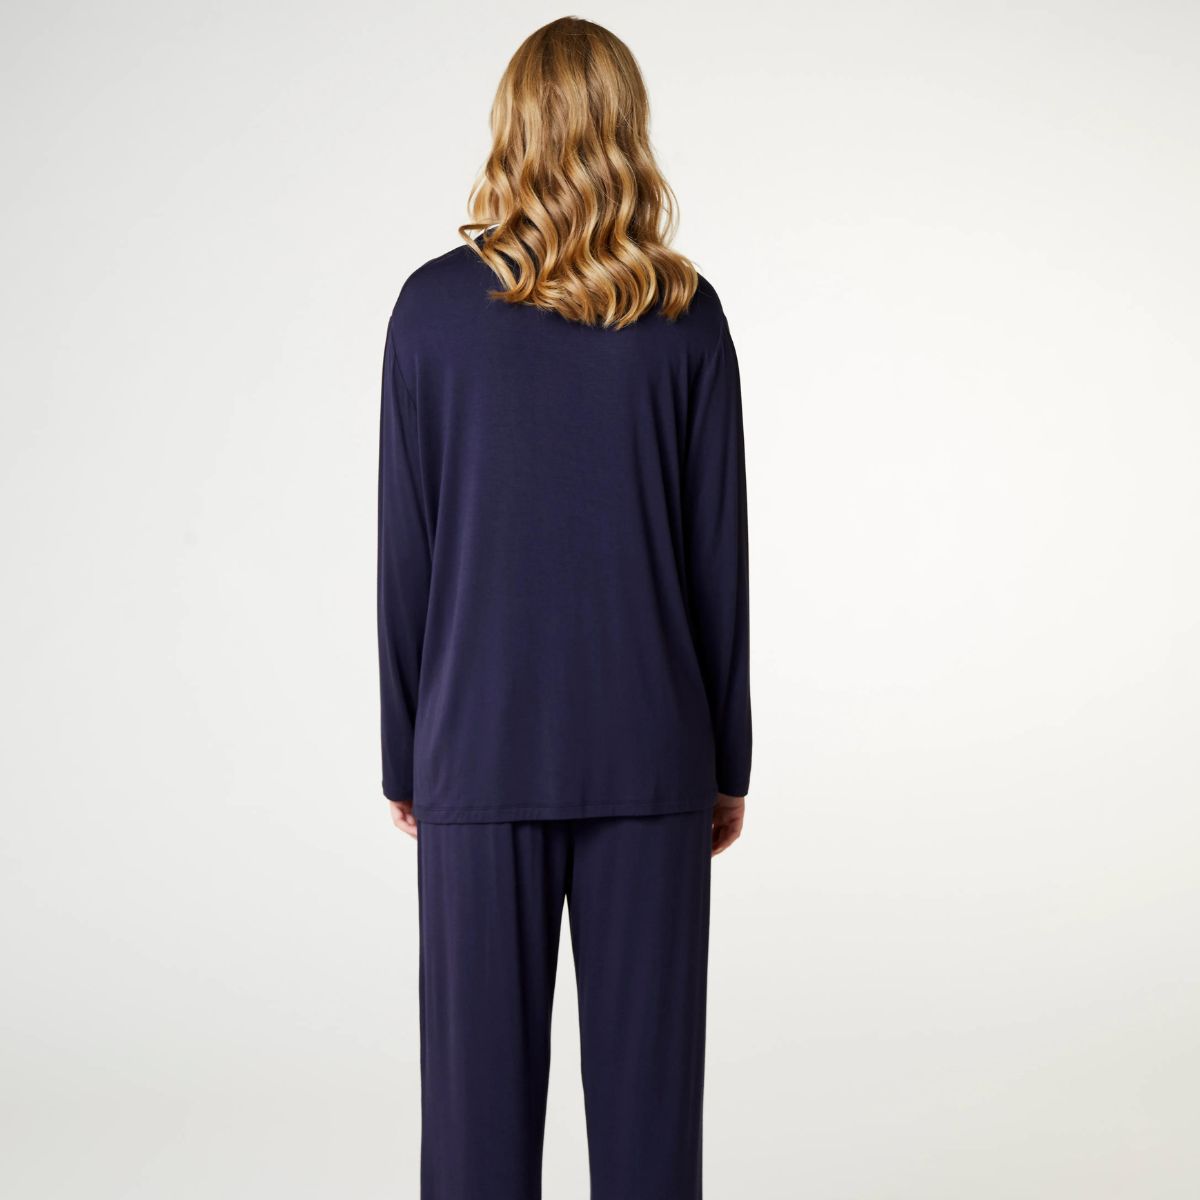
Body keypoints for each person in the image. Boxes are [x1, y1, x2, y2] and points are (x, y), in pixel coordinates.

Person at [377, 17, 751, 1199]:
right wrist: (726, 761)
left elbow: (407, 553)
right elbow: (718, 559)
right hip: (653, 753)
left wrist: (406, 754)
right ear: (625, 130)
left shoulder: (430, 313)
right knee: (651, 1137)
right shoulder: (685, 314)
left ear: (511, 125)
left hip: (477, 752)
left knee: (473, 1140)